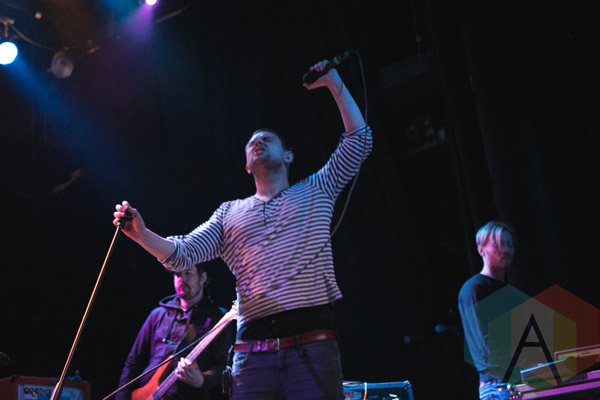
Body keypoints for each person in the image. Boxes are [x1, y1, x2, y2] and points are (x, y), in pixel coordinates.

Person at [112, 59, 372, 399]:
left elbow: (358, 141)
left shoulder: (317, 189)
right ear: (247, 166)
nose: (257, 142)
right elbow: (184, 252)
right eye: (251, 143)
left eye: (267, 139)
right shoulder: (229, 214)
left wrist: (334, 83)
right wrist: (142, 235)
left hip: (311, 344)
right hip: (251, 355)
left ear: (289, 156)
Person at [115, 263, 234, 400]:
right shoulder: (158, 315)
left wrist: (203, 380)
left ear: (202, 277)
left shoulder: (218, 319)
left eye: (188, 273)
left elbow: (222, 366)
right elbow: (133, 362)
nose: (181, 279)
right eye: (177, 274)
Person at [458, 221, 520, 400]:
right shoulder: (475, 289)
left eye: (509, 244)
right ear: (481, 250)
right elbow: (486, 346)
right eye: (499, 245)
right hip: (498, 386)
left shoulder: (509, 292)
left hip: (516, 381)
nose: (506, 250)